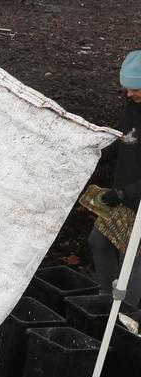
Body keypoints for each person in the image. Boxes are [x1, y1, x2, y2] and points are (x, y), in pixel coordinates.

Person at [89, 50, 141, 305]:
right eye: (126, 88)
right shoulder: (134, 106)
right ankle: (105, 301)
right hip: (126, 195)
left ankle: (124, 318)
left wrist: (123, 193)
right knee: (99, 240)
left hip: (136, 199)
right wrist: (97, 156)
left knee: (135, 258)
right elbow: (128, 140)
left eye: (135, 88)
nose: (129, 94)